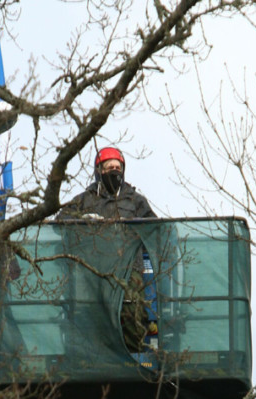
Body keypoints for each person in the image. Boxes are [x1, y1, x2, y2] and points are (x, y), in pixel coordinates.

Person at [57, 147, 157, 353]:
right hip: (93, 269)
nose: (114, 171)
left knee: (131, 311)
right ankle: (89, 353)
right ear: (98, 171)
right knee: (89, 312)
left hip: (129, 268)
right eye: (108, 167)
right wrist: (83, 221)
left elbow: (154, 227)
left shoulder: (135, 200)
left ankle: (131, 353)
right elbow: (60, 220)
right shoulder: (85, 200)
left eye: (117, 167)